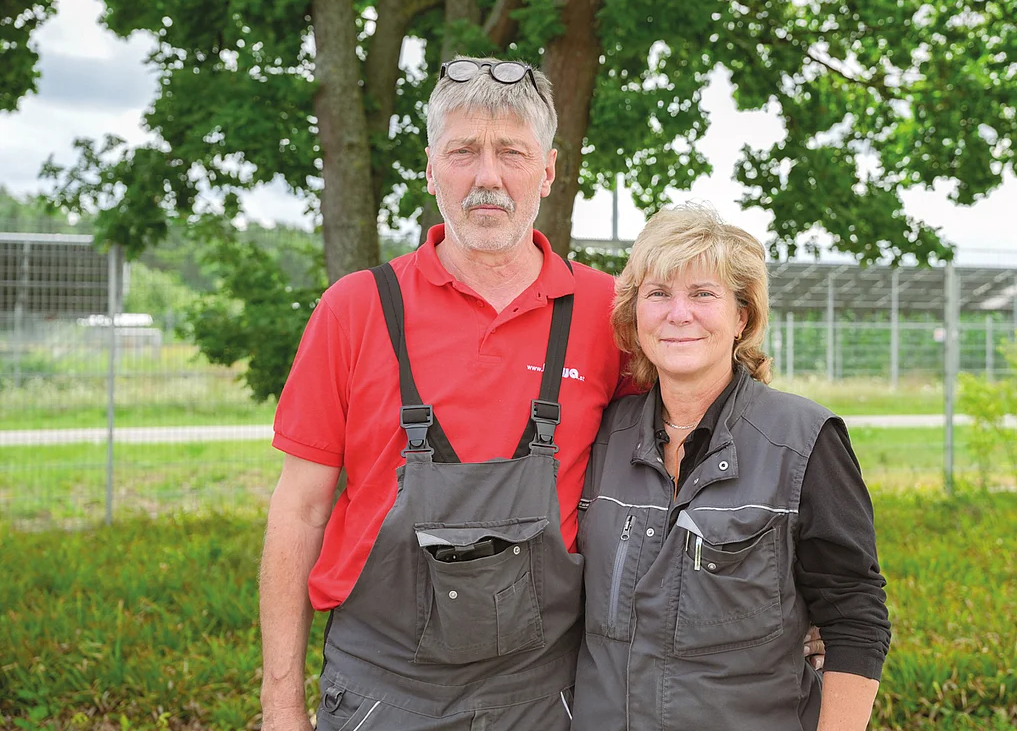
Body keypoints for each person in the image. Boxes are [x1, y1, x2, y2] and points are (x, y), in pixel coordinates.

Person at [258, 57, 628, 730]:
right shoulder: (356, 309)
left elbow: (693, 465)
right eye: (463, 152)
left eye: (511, 152)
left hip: (546, 695)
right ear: (430, 169)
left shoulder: (609, 314)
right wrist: (280, 705)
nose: (487, 176)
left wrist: (802, 603)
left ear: (548, 170)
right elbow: (300, 509)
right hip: (382, 693)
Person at [572, 204, 892, 731]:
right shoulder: (600, 436)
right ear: (634, 314)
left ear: (742, 316)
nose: (679, 314)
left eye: (703, 294)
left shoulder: (803, 440)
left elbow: (854, 612)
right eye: (658, 294)